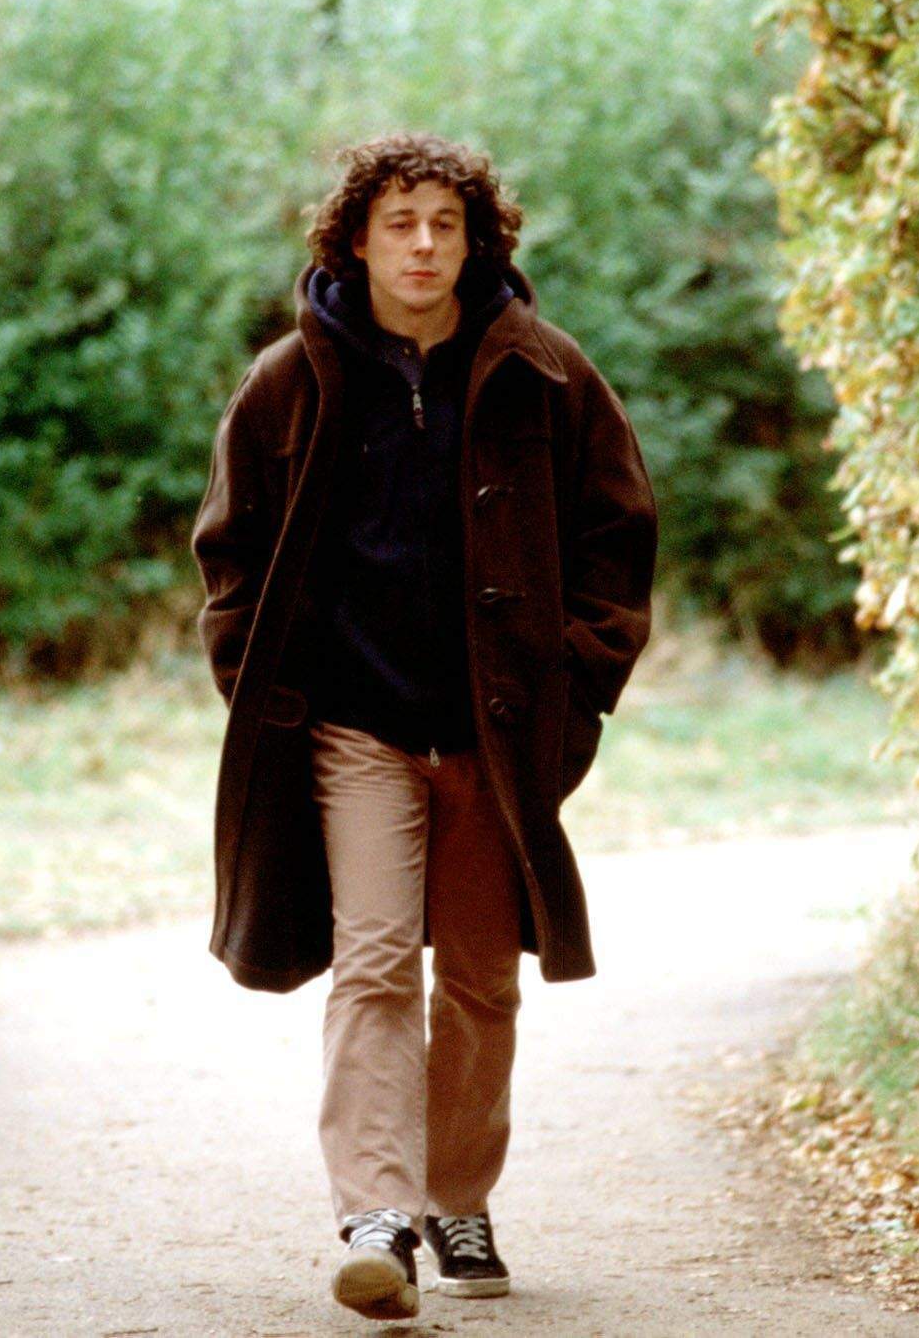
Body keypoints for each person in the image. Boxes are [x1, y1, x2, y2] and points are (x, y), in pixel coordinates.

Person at [189, 131, 657, 1320]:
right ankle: (378, 1219)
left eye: (444, 224)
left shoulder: (547, 371)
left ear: (473, 240)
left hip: (494, 738)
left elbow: (618, 534)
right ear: (355, 239)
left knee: (483, 979)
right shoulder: (287, 381)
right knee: (376, 959)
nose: (422, 244)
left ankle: (458, 1196)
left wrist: (576, 681)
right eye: (398, 222)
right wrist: (263, 690)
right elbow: (228, 553)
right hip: (352, 729)